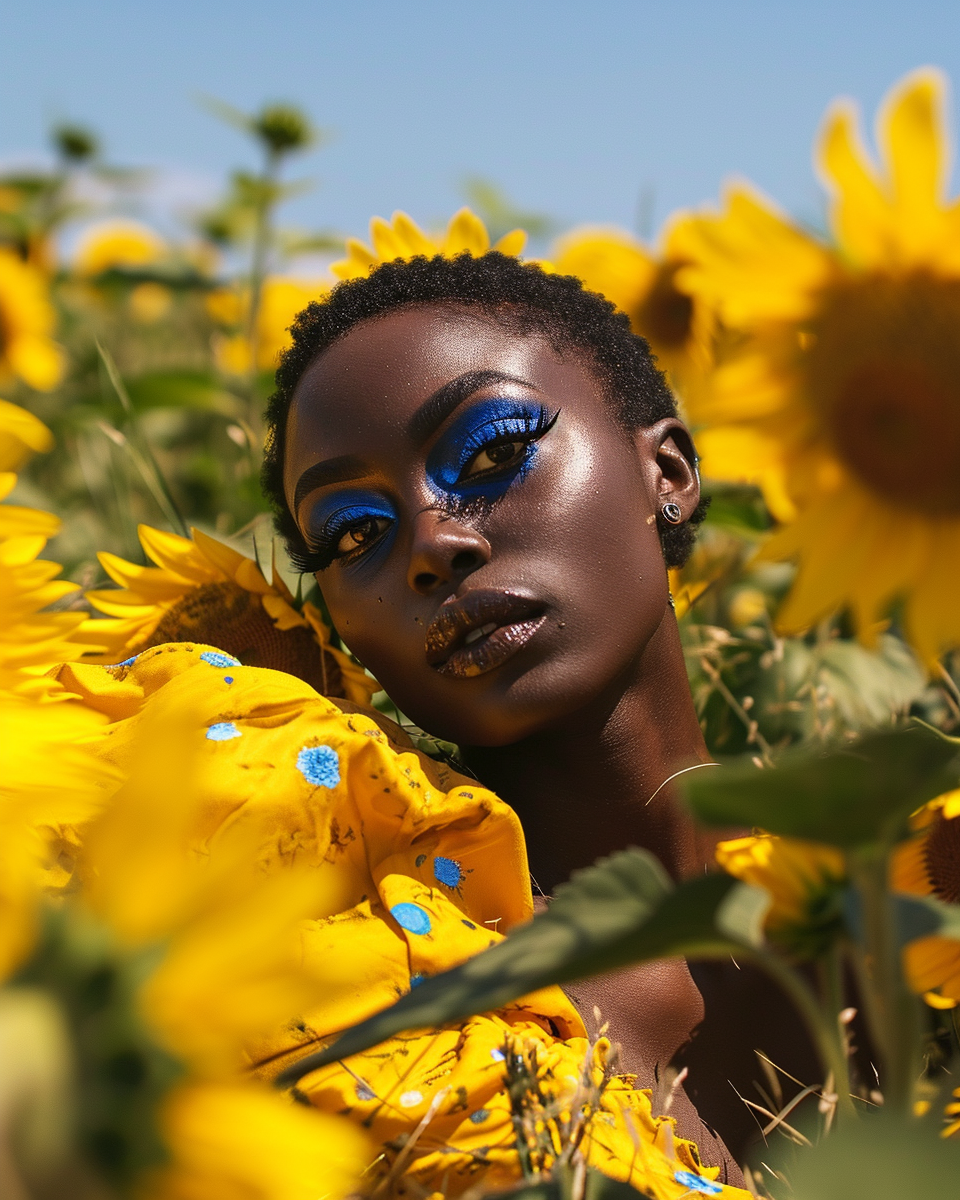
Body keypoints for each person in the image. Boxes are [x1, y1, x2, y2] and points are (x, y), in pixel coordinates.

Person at [59, 246, 752, 1194]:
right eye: (355, 533)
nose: (433, 544)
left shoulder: (913, 879)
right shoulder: (366, 994)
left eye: (494, 452)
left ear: (665, 471)